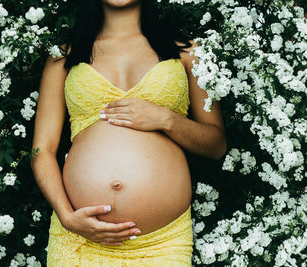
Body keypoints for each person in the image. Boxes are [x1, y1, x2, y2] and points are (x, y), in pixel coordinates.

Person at [31, 0, 227, 266]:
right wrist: (67, 216)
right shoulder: (65, 55)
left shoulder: (187, 52)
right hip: (80, 238)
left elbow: (216, 145)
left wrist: (166, 119)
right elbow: (42, 149)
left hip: (162, 244)